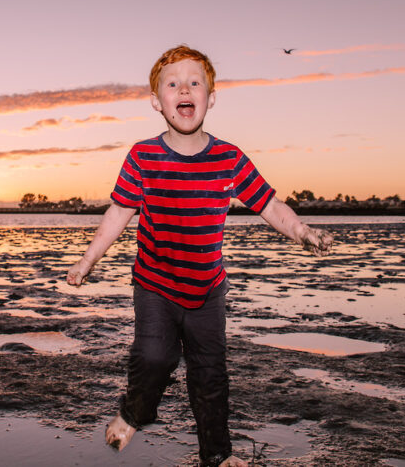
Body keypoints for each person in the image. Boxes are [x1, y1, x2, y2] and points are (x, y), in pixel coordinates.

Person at [67, 44, 334, 467]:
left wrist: (301, 231)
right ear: (157, 101)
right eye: (173, 84)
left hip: (208, 291)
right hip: (154, 284)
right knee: (154, 357)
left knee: (210, 376)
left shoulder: (229, 158)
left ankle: (217, 454)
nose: (184, 89)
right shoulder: (143, 156)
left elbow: (269, 205)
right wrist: (87, 261)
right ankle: (135, 411)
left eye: (195, 83)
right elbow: (119, 212)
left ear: (211, 96)